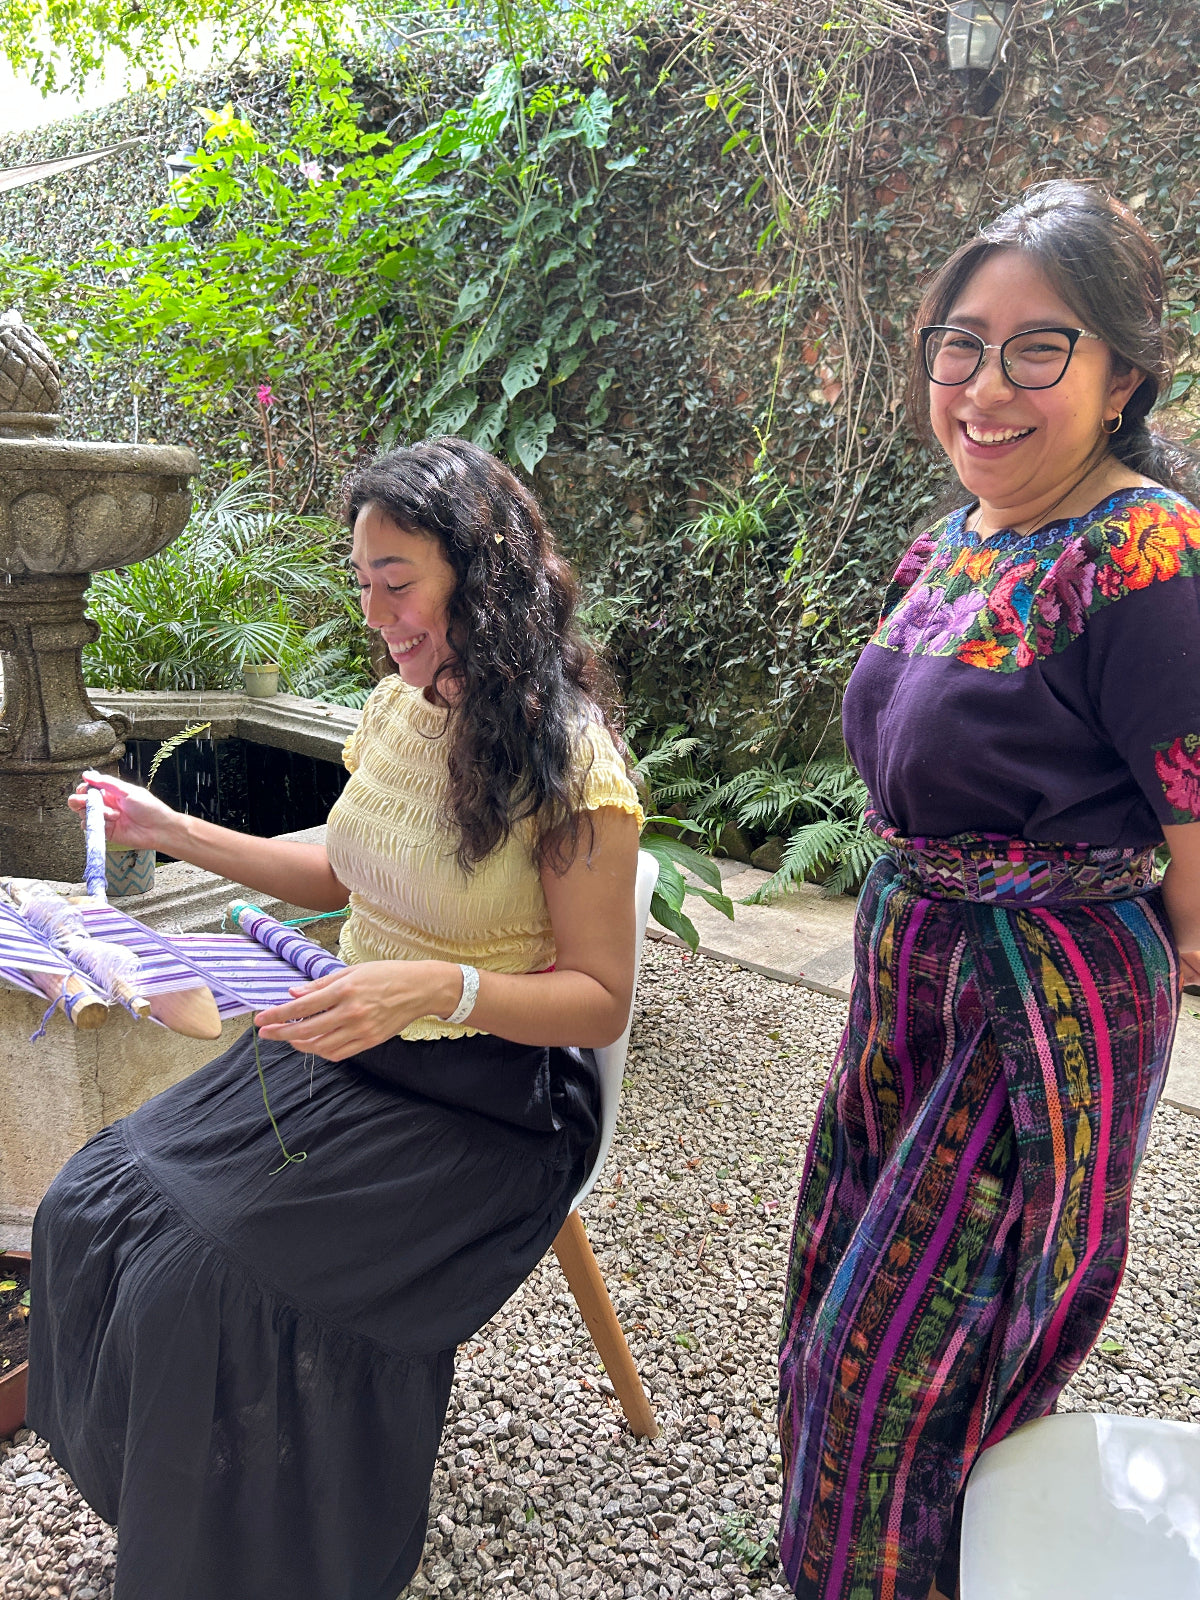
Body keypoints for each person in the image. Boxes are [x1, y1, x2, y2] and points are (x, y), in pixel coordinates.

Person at [28, 437, 643, 1600]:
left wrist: (436, 987)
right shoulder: (400, 707)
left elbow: (600, 995)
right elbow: (343, 867)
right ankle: (194, 1501)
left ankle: (265, 1550)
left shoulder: (573, 764)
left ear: (481, 572)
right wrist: (172, 828)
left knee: (201, 1283)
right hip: (352, 1042)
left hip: (488, 1103)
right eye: (361, 582)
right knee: (95, 1197)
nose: (377, 613)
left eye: (396, 579)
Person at [776, 179, 1200, 1600]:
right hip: (911, 971)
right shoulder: (958, 534)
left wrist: (1151, 985)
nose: (987, 383)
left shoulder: (1143, 553)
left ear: (1124, 372)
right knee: (838, 1281)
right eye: (964, 343)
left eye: (1041, 347)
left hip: (1040, 998)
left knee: (901, 1361)